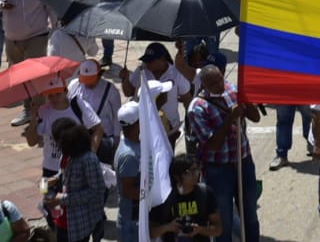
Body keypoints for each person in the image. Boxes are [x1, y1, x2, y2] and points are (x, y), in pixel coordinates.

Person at [187, 64, 261, 242]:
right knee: (223, 220)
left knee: (249, 214)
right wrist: (230, 118)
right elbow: (213, 144)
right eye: (214, 83)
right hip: (218, 171)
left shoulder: (232, 89)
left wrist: (246, 101)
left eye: (220, 78)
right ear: (204, 85)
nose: (220, 84)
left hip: (243, 162)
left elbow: (256, 117)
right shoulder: (197, 108)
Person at [1, 0, 50, 126]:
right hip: (12, 38)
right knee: (20, 77)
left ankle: (42, 112)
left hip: (35, 36)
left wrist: (56, 27)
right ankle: (28, 109)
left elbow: (50, 7)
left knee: (36, 76)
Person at [121, 43, 193, 147]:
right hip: (145, 128)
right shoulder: (142, 70)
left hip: (168, 130)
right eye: (146, 60)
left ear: (162, 59)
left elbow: (187, 99)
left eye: (151, 61)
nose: (147, 64)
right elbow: (129, 92)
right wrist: (125, 79)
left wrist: (190, 122)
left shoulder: (176, 74)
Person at [48, 122, 107, 242]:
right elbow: (64, 173)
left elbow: (96, 191)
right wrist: (55, 178)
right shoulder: (67, 155)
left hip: (77, 223)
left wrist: (62, 199)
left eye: (59, 142)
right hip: (61, 219)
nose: (57, 145)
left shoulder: (88, 160)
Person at [149, 154, 222, 242]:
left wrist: (200, 229)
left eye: (197, 169)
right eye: (190, 171)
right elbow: (151, 232)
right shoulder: (165, 197)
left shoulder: (205, 193)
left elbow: (218, 230)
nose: (196, 173)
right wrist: (168, 227)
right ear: (177, 177)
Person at [113, 100, 142, 242]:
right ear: (137, 124)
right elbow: (129, 191)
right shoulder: (129, 156)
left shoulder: (135, 142)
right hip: (132, 224)